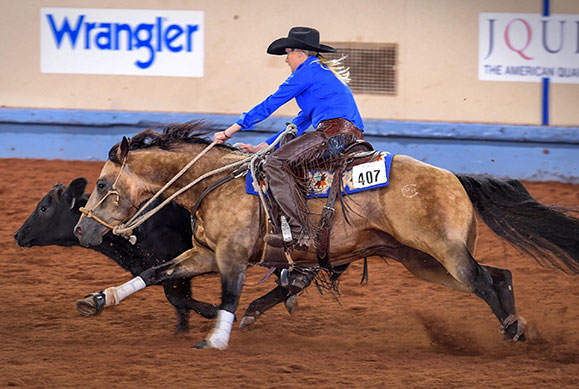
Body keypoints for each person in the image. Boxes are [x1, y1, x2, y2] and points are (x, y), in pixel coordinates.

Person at [214, 26, 364, 250]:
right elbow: (301, 120)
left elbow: (270, 104)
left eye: (288, 54)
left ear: (299, 53)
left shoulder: (306, 72)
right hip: (343, 134)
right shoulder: (319, 74)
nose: (286, 60)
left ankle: (298, 231)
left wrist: (230, 131)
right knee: (276, 157)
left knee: (276, 163)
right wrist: (264, 146)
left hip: (334, 133)